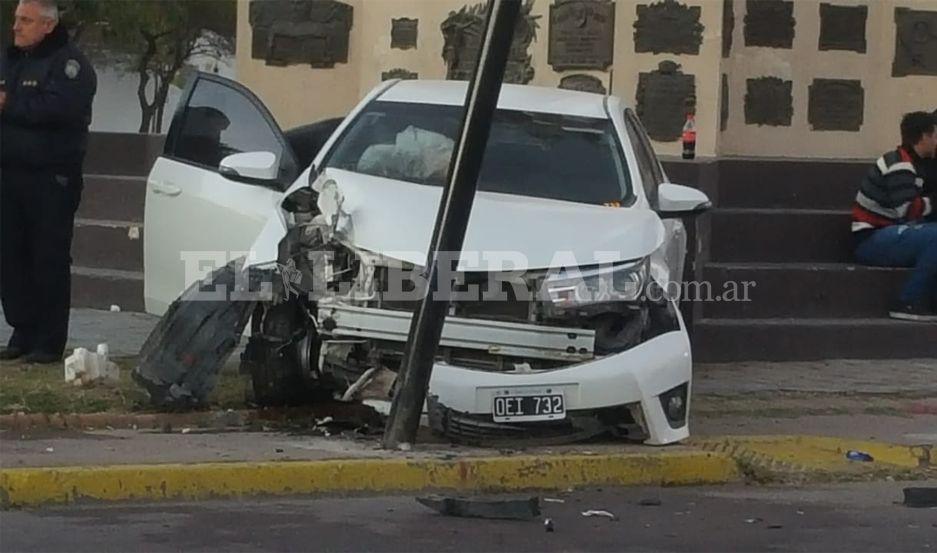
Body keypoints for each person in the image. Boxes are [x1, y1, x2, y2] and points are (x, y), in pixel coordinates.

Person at [0, 0, 97, 363]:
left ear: (47, 25)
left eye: (25, 21)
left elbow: (58, 110)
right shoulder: (11, 59)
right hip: (9, 174)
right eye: (16, 20)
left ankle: (48, 340)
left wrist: (10, 105)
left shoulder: (70, 65)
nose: (17, 27)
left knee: (48, 258)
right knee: (11, 257)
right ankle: (21, 330)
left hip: (51, 178)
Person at [852, 111, 937, 322]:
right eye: (936, 135)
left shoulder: (910, 163)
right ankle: (908, 301)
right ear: (925, 136)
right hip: (872, 239)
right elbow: (908, 211)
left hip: (890, 234)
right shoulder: (899, 164)